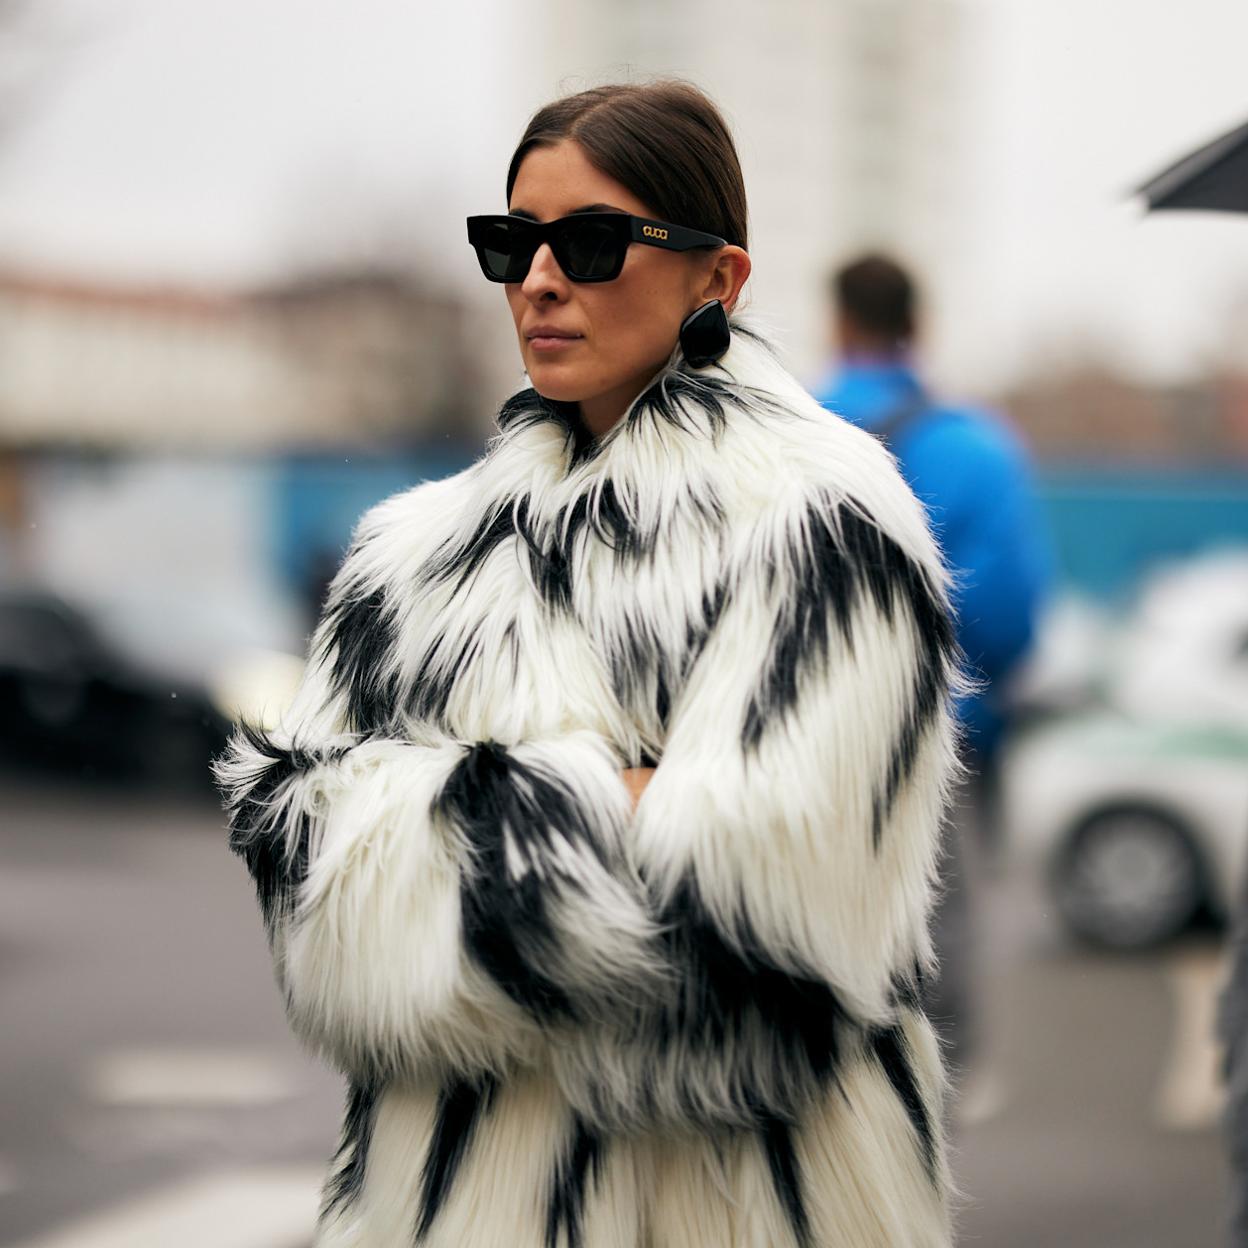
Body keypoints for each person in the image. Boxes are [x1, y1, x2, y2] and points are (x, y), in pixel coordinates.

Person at [214, 82, 968, 1248]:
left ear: (718, 278)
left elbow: (773, 949)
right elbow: (310, 902)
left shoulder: (826, 517)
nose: (541, 279)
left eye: (594, 241)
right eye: (512, 242)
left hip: (743, 1208)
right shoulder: (407, 556)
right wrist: (620, 804)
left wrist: (432, 837)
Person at [812, 253, 1053, 1080]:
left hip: (800, 756)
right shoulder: (978, 449)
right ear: (918, 327)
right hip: (938, 749)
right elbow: (1013, 615)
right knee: (935, 954)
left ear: (839, 323)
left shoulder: (789, 433)